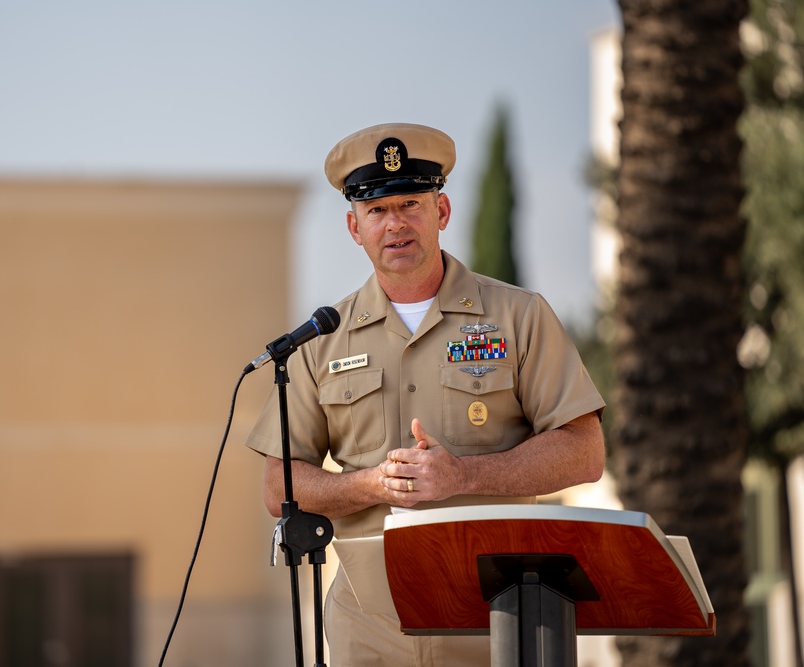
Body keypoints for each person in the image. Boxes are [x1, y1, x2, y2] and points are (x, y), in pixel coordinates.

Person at [246, 122, 606, 666]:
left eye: (410, 204)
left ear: (441, 212)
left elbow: (585, 450)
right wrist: (372, 484)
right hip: (370, 626)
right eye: (377, 210)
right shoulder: (320, 340)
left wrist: (464, 477)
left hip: (498, 617)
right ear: (354, 226)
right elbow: (280, 486)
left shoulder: (519, 316)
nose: (396, 224)